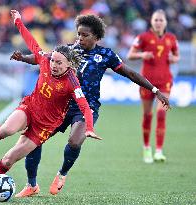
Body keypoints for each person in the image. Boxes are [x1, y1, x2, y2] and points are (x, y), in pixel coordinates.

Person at [10, 14, 171, 197]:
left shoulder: (106, 55)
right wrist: (23, 58)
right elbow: (43, 59)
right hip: (60, 105)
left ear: (96, 37)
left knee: (75, 140)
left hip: (87, 106)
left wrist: (155, 90)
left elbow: (130, 73)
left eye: (84, 35)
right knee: (33, 138)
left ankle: (62, 174)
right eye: (78, 34)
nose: (80, 39)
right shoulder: (69, 50)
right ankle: (32, 184)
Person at [0, 10, 100, 199]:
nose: (53, 65)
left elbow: (85, 107)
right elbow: (31, 41)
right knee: (7, 129)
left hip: (45, 126)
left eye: (59, 63)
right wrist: (18, 22)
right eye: (53, 60)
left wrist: (88, 127)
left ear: (69, 65)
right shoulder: (45, 60)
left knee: (9, 158)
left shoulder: (72, 82)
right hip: (30, 107)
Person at [127, 9, 179, 163]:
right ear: (151, 21)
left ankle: (159, 151)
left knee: (162, 114)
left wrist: (174, 58)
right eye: (155, 20)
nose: (158, 22)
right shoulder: (143, 37)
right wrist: (142, 55)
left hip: (165, 81)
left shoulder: (171, 38)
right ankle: (146, 148)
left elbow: (177, 55)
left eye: (161, 20)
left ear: (165, 22)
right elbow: (130, 54)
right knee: (148, 115)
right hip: (146, 82)